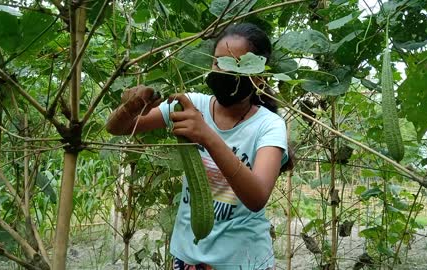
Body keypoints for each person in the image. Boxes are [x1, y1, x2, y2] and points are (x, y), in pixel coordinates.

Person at [106, 22, 293, 270]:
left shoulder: (270, 125)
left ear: (259, 74)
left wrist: (206, 135)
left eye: (238, 65)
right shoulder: (193, 105)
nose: (226, 71)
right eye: (219, 62)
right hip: (188, 257)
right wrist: (132, 105)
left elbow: (257, 197)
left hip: (244, 261)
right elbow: (117, 128)